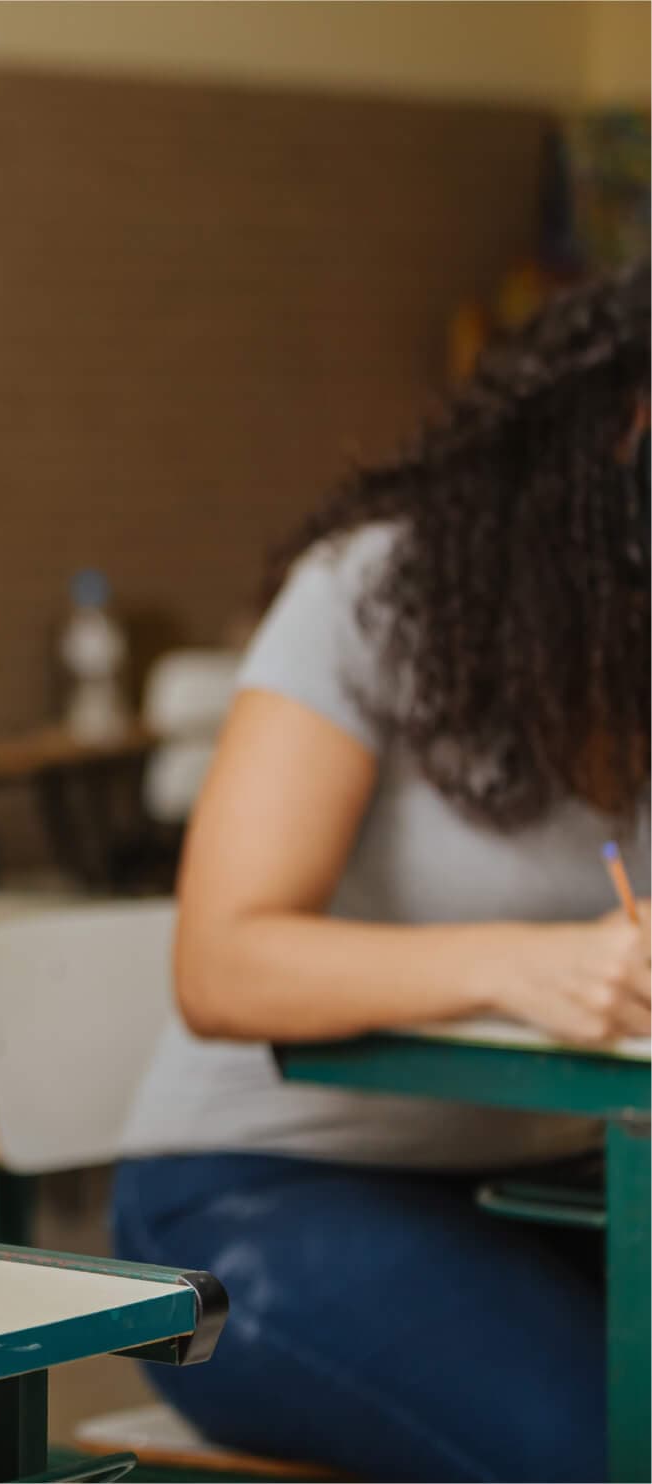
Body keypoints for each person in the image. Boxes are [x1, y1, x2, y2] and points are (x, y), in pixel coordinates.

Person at [112, 263, 650, 1482]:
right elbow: (222, 960)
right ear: (601, 431)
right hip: (257, 1196)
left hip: (548, 1181)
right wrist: (528, 967)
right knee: (603, 1449)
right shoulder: (377, 589)